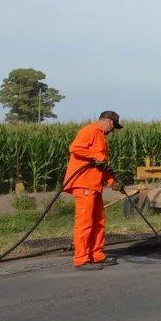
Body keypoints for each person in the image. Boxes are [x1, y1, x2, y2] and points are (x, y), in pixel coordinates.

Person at [63, 111, 124, 271]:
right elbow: (74, 148)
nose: (113, 130)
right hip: (84, 184)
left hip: (95, 185)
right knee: (85, 223)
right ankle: (81, 259)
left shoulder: (101, 136)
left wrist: (112, 182)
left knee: (98, 221)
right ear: (109, 121)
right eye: (113, 126)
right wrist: (96, 155)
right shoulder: (89, 130)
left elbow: (101, 165)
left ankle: (96, 255)